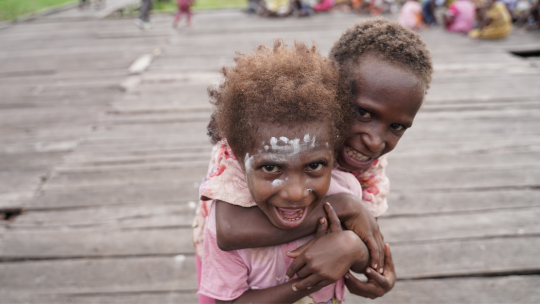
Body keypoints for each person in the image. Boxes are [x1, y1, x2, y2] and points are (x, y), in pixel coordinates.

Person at [200, 40, 370, 303]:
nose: (295, 193)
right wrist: (306, 286)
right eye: (270, 167)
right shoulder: (219, 228)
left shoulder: (345, 190)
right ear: (239, 157)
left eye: (314, 166)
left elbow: (367, 263)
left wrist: (353, 247)